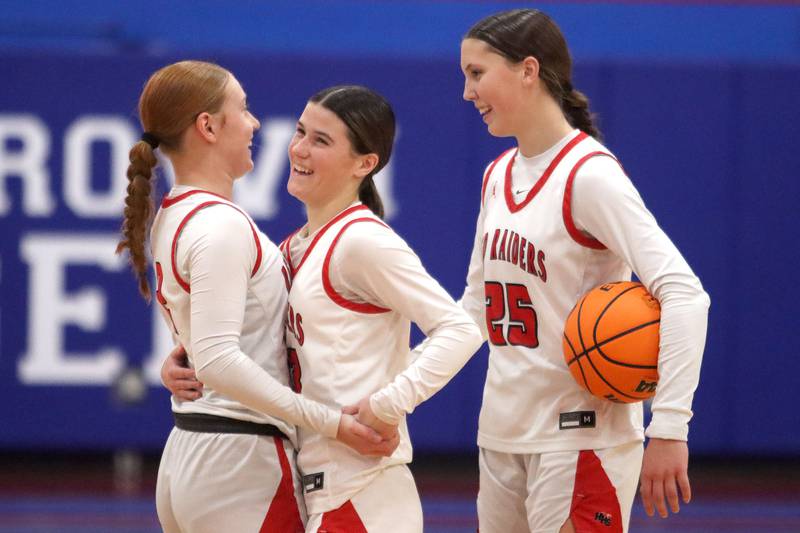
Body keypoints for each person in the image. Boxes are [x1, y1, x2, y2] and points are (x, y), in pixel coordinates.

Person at [162, 84, 483, 532]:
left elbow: (460, 329)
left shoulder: (362, 241)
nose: (300, 149)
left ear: (365, 164)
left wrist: (389, 402)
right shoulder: (291, 249)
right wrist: (184, 358)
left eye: (321, 140)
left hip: (363, 489)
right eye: (300, 132)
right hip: (316, 484)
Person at [457, 9, 710, 533]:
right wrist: (398, 395)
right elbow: (473, 310)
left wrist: (669, 427)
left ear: (529, 70)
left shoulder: (588, 175)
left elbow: (686, 294)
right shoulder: (495, 174)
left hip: (579, 439)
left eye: (477, 73)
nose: (467, 92)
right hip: (501, 436)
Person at [117, 61, 396, 533]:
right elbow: (221, 359)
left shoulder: (176, 214)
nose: (255, 123)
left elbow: (211, 345)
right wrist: (331, 421)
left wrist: (183, 360)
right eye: (242, 109)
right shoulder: (220, 224)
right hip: (240, 461)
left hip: (192, 453)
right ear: (207, 126)